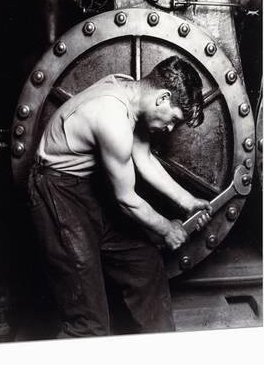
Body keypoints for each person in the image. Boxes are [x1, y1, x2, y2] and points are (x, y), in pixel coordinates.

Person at [27, 55, 212, 337]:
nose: (170, 129)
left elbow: (143, 157)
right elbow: (127, 199)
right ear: (163, 98)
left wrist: (187, 201)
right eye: (174, 119)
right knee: (89, 319)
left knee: (145, 266)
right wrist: (167, 228)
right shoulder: (112, 117)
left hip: (87, 187)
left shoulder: (129, 91)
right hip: (57, 193)